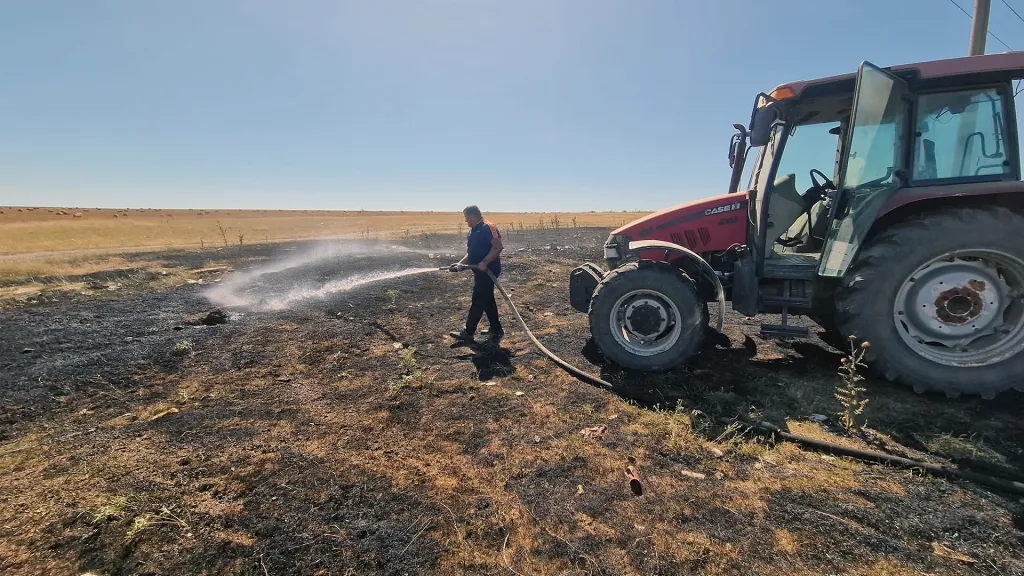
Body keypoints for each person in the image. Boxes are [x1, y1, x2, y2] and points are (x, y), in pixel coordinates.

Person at [449, 205, 504, 342]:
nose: (465, 221)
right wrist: (460, 264)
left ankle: (468, 332)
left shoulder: (488, 227)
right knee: (487, 299)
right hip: (479, 270)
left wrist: (485, 262)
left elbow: (498, 247)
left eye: (466, 217)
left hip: (489, 270)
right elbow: (471, 253)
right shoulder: (472, 231)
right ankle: (496, 329)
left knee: (478, 298)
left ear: (473, 215)